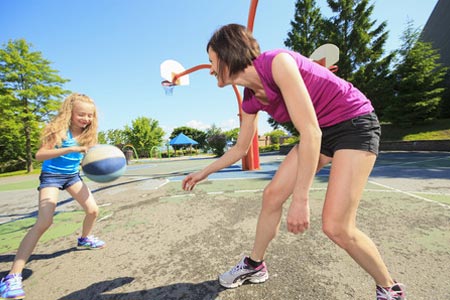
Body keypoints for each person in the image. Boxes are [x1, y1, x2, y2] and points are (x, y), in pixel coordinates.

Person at [181, 24, 406, 299]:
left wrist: (301, 198)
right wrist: (203, 172)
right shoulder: (250, 101)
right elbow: (240, 148)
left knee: (336, 227)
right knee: (272, 195)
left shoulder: (278, 62)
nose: (211, 67)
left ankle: (390, 289)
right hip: (321, 130)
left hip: (354, 124)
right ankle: (255, 265)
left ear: (229, 53)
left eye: (212, 59)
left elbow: (310, 131)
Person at [0, 93, 106, 299]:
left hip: (72, 176)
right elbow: (40, 155)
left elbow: (89, 156)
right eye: (81, 114)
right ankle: (11, 277)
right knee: (44, 221)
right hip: (51, 177)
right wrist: (72, 148)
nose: (86, 119)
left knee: (93, 210)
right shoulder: (58, 131)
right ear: (70, 113)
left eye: (90, 115)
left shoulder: (89, 134)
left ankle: (84, 238)